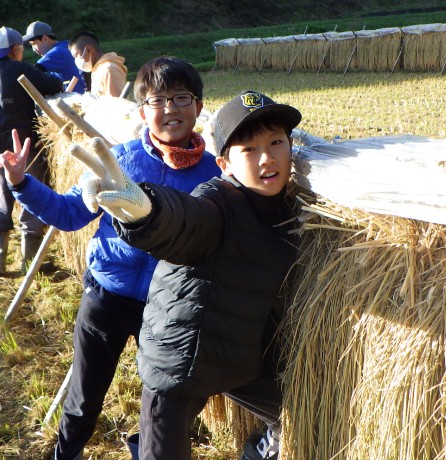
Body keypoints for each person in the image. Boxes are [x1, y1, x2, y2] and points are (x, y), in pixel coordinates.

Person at [0, 56, 221, 460]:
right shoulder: (121, 158)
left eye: (181, 98)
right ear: (141, 112)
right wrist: (21, 183)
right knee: (85, 397)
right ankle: (66, 453)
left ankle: (142, 450)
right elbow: (70, 212)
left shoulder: (214, 174)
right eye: (157, 101)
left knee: (163, 404)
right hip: (106, 298)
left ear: (199, 107)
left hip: (166, 307)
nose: (169, 109)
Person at [73, 90, 303, 460]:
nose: (267, 158)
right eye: (249, 150)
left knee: (298, 415)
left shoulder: (289, 209)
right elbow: (182, 220)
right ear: (224, 165)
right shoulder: (218, 203)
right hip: (178, 363)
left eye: (276, 142)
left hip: (236, 358)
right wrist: (143, 209)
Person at [0, 26, 64, 276]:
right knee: (31, 197)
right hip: (23, 146)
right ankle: (30, 262)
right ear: (15, 49)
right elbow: (51, 84)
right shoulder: (20, 69)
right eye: (21, 48)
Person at [23, 21, 85, 94]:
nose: (33, 49)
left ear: (45, 39)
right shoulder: (66, 45)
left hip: (76, 100)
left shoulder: (56, 52)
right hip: (85, 94)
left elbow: (31, 72)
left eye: (34, 44)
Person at [68, 31, 127, 98]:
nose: (76, 60)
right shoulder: (98, 69)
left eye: (76, 55)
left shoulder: (108, 69)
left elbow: (116, 104)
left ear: (88, 50)